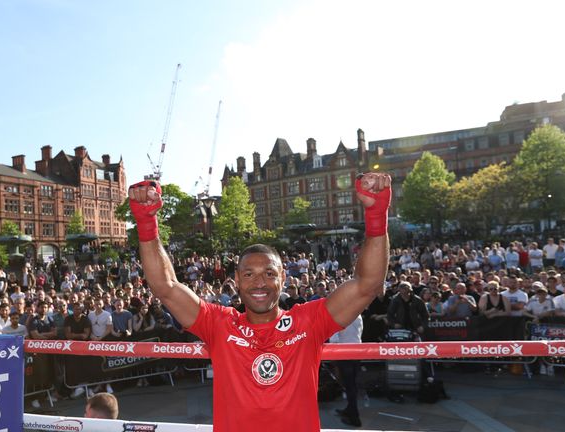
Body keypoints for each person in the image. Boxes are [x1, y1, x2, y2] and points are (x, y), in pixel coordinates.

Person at [128, 172, 390, 432]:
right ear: (237, 280)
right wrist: (146, 222)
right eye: (249, 275)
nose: (259, 283)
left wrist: (377, 215)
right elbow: (165, 287)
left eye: (269, 273)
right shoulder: (219, 324)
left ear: (283, 277)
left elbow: (367, 285)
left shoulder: (308, 321)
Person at [330, 315, 363, 427]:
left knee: (349, 386)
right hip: (357, 353)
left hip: (344, 354)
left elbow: (334, 339)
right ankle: (350, 410)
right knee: (352, 385)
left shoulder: (342, 316)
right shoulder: (358, 316)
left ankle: (355, 418)